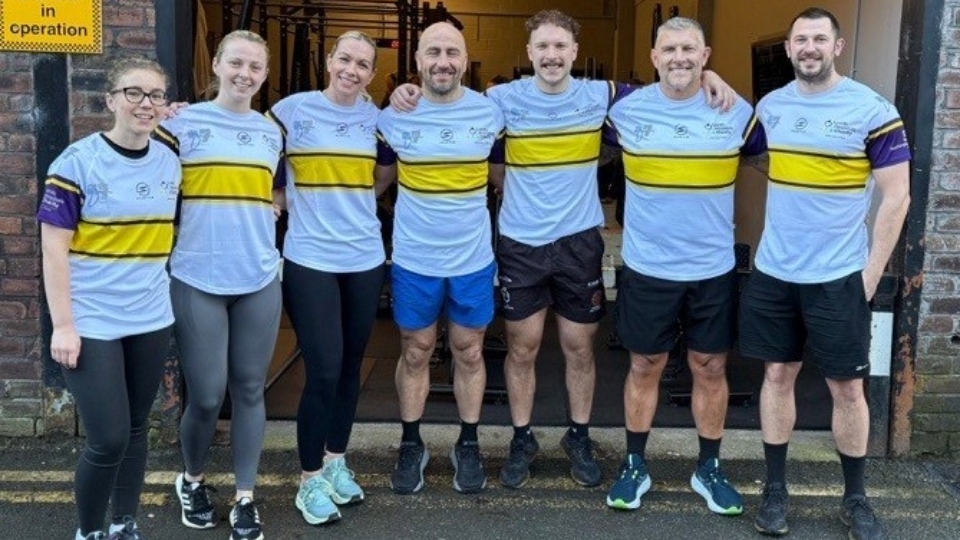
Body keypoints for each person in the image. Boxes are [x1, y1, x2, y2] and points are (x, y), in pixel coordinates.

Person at [391, 9, 736, 491]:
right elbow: (445, 105)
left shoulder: (603, 96)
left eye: (560, 47)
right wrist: (404, 88)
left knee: (579, 348)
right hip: (521, 244)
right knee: (523, 348)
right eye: (543, 47)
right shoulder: (498, 101)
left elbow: (673, 82)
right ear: (529, 53)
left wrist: (710, 73)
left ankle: (578, 434)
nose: (552, 55)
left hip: (578, 243)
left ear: (574, 53)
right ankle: (521, 436)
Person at [740, 8, 911, 540]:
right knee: (776, 376)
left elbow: (897, 196)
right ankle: (775, 491)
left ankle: (856, 498)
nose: (809, 47)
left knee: (848, 388)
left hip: (839, 277)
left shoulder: (872, 109)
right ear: (789, 50)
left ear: (837, 47)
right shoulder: (771, 107)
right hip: (774, 271)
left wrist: (868, 276)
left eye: (820, 38)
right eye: (801, 39)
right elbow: (753, 157)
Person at [602, 16, 765, 514]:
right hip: (648, 268)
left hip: (711, 269)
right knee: (644, 364)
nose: (680, 58)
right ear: (653, 58)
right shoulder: (624, 112)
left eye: (689, 49)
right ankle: (634, 465)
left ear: (706, 54)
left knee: (710, 366)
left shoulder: (738, 113)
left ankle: (708, 468)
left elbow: (772, 164)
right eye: (669, 49)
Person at [38, 57, 180, 540]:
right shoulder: (76, 163)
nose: (146, 104)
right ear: (110, 100)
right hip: (93, 322)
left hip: (151, 316)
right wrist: (63, 326)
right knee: (109, 437)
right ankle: (89, 531)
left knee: (138, 428)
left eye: (156, 95)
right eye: (134, 93)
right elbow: (53, 249)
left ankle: (124, 523)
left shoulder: (171, 156)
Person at [154, 30, 282, 540]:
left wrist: (275, 204)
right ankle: (192, 479)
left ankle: (246, 497)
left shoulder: (272, 131)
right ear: (217, 64)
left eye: (255, 66)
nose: (244, 74)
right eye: (236, 63)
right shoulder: (181, 122)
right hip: (197, 275)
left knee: (250, 388)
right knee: (207, 395)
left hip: (257, 276)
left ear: (265, 75)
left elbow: (279, 188)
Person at [377, 21, 505, 495]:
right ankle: (411, 442)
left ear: (465, 59)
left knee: (469, 350)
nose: (443, 62)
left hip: (472, 259)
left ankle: (467, 442)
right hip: (414, 259)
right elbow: (378, 183)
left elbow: (504, 180)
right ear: (417, 61)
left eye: (452, 52)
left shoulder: (491, 114)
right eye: (433, 52)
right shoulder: (392, 118)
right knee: (416, 350)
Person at [266, 30, 388, 526]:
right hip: (310, 257)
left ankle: (337, 461)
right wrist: (279, 198)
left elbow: (384, 174)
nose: (352, 70)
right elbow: (257, 156)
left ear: (372, 74)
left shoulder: (376, 119)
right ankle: (309, 479)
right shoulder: (291, 112)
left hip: (364, 256)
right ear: (329, 61)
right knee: (322, 367)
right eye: (345, 59)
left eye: (363, 64)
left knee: (351, 365)